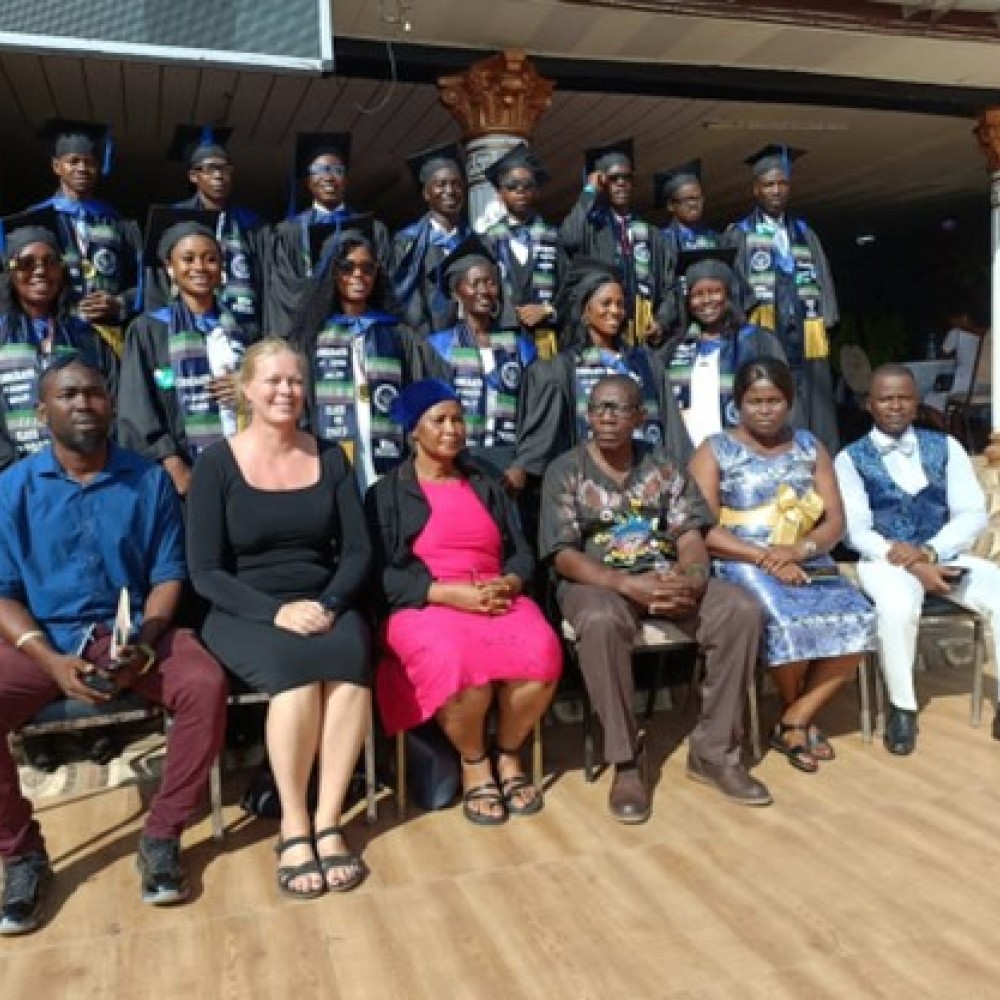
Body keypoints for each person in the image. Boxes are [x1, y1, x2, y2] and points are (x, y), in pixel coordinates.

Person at [0, 354, 227, 935]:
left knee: (203, 684)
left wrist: (147, 643)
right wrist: (48, 661)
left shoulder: (146, 479)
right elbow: (2, 594)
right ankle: (22, 854)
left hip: (132, 637)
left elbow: (168, 574)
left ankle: (161, 834)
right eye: (68, 395)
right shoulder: (12, 488)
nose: (83, 404)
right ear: (41, 410)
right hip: (45, 640)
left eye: (95, 394)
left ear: (110, 404)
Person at [186, 339, 372, 897]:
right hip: (243, 607)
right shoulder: (216, 464)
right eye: (273, 381)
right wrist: (277, 613)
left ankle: (329, 820)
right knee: (294, 676)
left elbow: (358, 552)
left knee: (351, 663)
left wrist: (331, 604)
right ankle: (293, 824)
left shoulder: (331, 456)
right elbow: (205, 572)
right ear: (246, 389)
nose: (286, 391)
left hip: (322, 601)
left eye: (295, 380)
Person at [540, 375, 771, 823]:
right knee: (602, 622)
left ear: (640, 418)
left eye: (618, 409)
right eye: (598, 408)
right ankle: (626, 761)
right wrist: (627, 585)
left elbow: (689, 533)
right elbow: (563, 555)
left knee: (740, 611)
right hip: (599, 584)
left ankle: (714, 752)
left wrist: (692, 580)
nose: (606, 418)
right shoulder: (565, 470)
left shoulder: (663, 464)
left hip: (666, 576)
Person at [366, 380, 561, 825]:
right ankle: (475, 763)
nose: (453, 429)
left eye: (458, 419)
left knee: (542, 653)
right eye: (440, 420)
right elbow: (381, 574)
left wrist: (510, 583)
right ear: (414, 431)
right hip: (427, 602)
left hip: (494, 595)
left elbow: (521, 552)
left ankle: (508, 753)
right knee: (459, 665)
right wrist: (445, 593)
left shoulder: (485, 483)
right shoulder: (387, 493)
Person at [689, 358, 876, 771]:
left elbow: (836, 521)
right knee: (785, 618)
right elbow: (701, 528)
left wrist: (801, 550)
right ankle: (795, 722)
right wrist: (766, 558)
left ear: (789, 401)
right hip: (741, 557)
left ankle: (796, 716)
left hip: (804, 553)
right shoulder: (714, 448)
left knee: (861, 617)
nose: (765, 409)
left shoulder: (810, 445)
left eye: (774, 400)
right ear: (738, 403)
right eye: (755, 401)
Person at [834, 363, 1000, 755]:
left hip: (943, 552)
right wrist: (908, 561)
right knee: (897, 607)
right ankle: (902, 708)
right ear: (869, 405)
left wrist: (930, 552)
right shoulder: (850, 459)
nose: (895, 406)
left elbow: (972, 512)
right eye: (886, 398)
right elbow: (854, 530)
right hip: (884, 561)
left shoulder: (946, 446)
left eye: (904, 397)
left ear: (916, 401)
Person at [288, 219, 430, 491]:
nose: (358, 275)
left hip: (391, 459)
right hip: (328, 458)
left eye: (367, 268)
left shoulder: (398, 334)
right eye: (347, 267)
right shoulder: (311, 338)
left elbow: (417, 397)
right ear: (331, 273)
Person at [117, 212, 253, 497]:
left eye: (210, 258)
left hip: (247, 466)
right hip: (181, 477)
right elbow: (137, 407)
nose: (200, 267)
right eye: (188, 259)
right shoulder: (148, 330)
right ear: (170, 267)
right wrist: (173, 464)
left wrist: (246, 389)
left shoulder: (242, 330)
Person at [725, 145, 839, 453]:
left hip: (805, 333)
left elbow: (823, 279)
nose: (776, 190)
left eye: (782, 184)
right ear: (756, 189)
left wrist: (824, 318)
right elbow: (732, 288)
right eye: (769, 184)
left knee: (814, 404)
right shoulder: (741, 234)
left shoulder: (804, 232)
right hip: (765, 335)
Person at [517, 258, 665, 479]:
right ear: (585, 312)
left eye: (620, 304)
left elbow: (672, 432)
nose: (615, 311)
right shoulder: (563, 367)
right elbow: (545, 440)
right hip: (588, 483)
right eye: (605, 303)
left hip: (647, 476)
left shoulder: (645, 362)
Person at [0, 213, 118, 469]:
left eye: (50, 262)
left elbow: (113, 402)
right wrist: (14, 472)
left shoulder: (89, 336)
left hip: (87, 471)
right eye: (26, 263)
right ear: (10, 272)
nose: (40, 271)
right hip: (10, 479)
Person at [425, 236, 537, 493]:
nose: (484, 291)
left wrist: (522, 465)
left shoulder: (520, 347)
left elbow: (535, 414)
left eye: (490, 282)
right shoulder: (438, 347)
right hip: (454, 461)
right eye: (474, 283)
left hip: (510, 464)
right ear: (456, 292)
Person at [659, 247, 789, 464]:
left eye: (714, 291)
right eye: (697, 295)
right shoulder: (673, 350)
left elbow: (784, 401)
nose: (706, 301)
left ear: (728, 294)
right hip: (688, 461)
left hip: (749, 459)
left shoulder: (757, 341)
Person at [28, 118, 142, 356]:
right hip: (55, 335)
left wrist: (120, 303)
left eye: (89, 162)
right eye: (73, 161)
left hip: (109, 339)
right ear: (56, 166)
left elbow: (144, 281)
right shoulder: (36, 220)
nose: (82, 168)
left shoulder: (119, 223)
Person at [141, 125, 267, 340]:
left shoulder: (252, 225)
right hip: (186, 326)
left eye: (225, 169)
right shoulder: (173, 220)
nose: (219, 176)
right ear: (193, 176)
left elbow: (264, 281)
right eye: (209, 169)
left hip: (243, 328)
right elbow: (157, 281)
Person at [268, 132, 391, 337]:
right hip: (311, 332)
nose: (329, 177)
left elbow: (384, 285)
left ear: (346, 180)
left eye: (337, 170)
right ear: (308, 182)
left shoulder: (373, 230)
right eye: (320, 170)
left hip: (363, 330)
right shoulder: (289, 232)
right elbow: (284, 292)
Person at [558, 139, 669, 346]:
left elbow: (668, 285)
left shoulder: (652, 234)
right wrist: (589, 191)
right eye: (612, 178)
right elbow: (568, 239)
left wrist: (661, 321)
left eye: (626, 178)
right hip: (600, 336)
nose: (621, 183)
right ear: (601, 182)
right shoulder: (591, 228)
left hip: (643, 336)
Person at [482, 144, 566, 359]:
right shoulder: (487, 240)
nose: (520, 190)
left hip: (546, 341)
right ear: (500, 193)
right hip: (502, 339)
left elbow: (570, 291)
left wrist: (547, 310)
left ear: (536, 191)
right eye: (511, 185)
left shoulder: (553, 237)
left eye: (527, 185)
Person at [391, 143, 472, 338]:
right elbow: (406, 300)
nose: (450, 190)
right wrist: (429, 344)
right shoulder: (408, 242)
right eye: (441, 184)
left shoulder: (475, 241)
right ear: (426, 193)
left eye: (456, 184)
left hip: (473, 342)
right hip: (427, 342)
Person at [654, 160, 721, 337]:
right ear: (671, 206)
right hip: (672, 329)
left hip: (710, 324)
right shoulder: (658, 242)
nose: (695, 204)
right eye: (688, 199)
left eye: (698, 198)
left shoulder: (715, 240)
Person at [923, 311, 988, 425]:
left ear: (964, 317)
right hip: (984, 386)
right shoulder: (986, 335)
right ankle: (957, 432)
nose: (951, 323)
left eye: (953, 319)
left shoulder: (956, 333)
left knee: (928, 400)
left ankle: (949, 434)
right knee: (954, 408)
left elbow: (943, 354)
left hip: (964, 387)